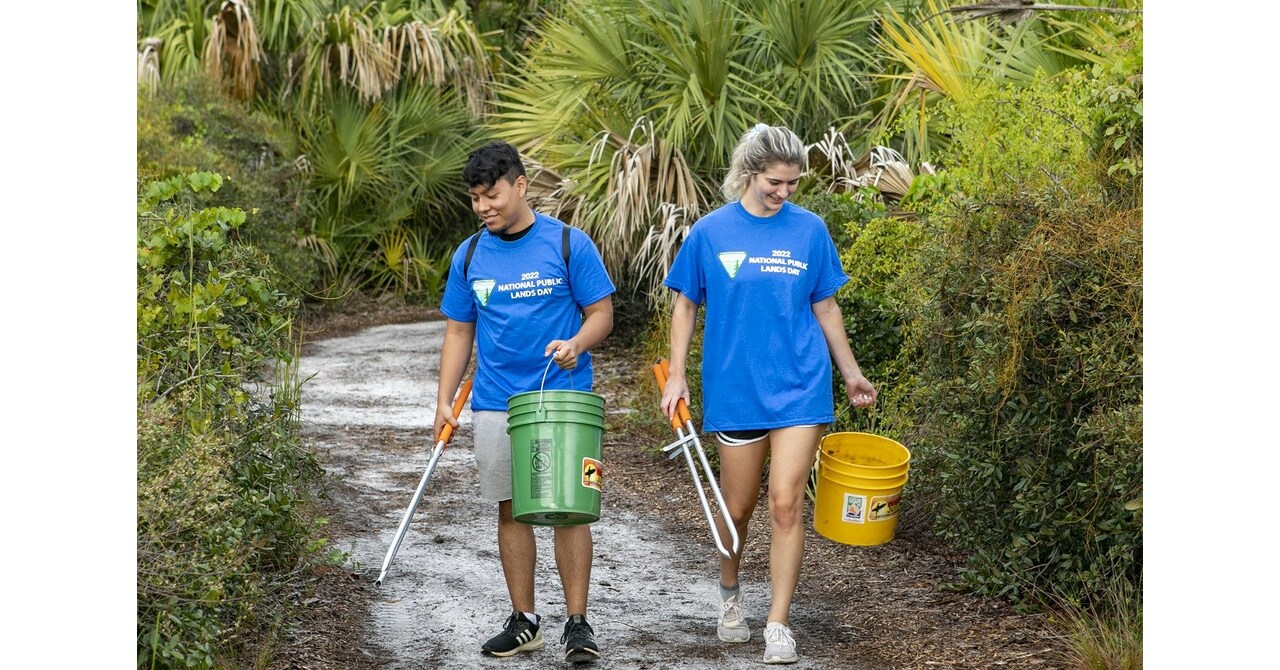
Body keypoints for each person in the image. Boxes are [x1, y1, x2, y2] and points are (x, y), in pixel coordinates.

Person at [659, 124, 877, 665]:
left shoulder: (810, 231)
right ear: (749, 173)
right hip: (736, 387)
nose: (785, 193)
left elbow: (825, 305)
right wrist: (679, 375)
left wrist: (850, 372)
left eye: (794, 184)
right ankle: (731, 596)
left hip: (800, 385)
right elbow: (686, 305)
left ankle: (777, 623)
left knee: (785, 504)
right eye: (775, 183)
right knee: (737, 507)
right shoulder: (711, 233)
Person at [435, 141, 616, 664]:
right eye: (474, 199)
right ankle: (525, 621)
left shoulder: (567, 244)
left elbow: (601, 314)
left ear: (520, 185)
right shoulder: (468, 255)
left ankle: (578, 624)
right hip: (496, 401)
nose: (483, 207)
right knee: (511, 508)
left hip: (563, 401)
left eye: (491, 195)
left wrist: (577, 344)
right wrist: (444, 401)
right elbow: (457, 333)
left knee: (568, 510)